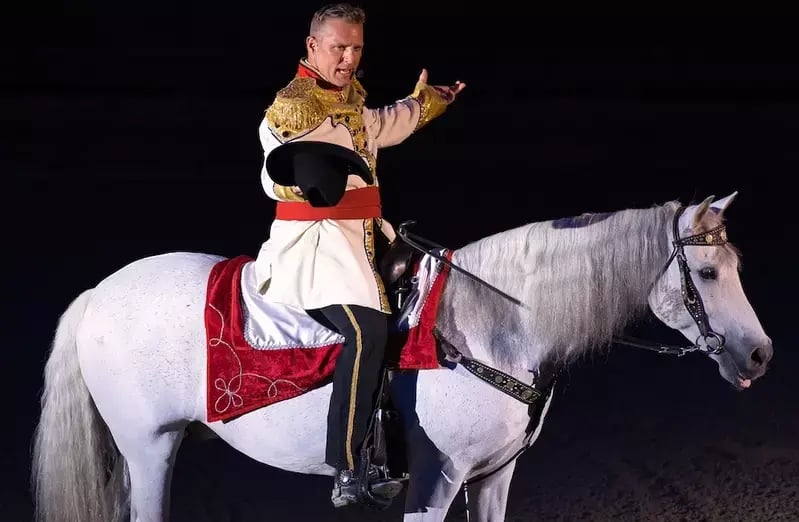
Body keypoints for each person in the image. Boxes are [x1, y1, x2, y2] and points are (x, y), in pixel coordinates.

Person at [253, 2, 466, 509]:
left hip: (366, 236)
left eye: (355, 48)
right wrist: (298, 181)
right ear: (312, 46)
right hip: (316, 248)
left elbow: (379, 125)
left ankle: (405, 434)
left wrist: (427, 103)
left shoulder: (347, 98)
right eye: (337, 47)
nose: (347, 57)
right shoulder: (291, 108)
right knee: (367, 328)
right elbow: (272, 166)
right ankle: (347, 465)